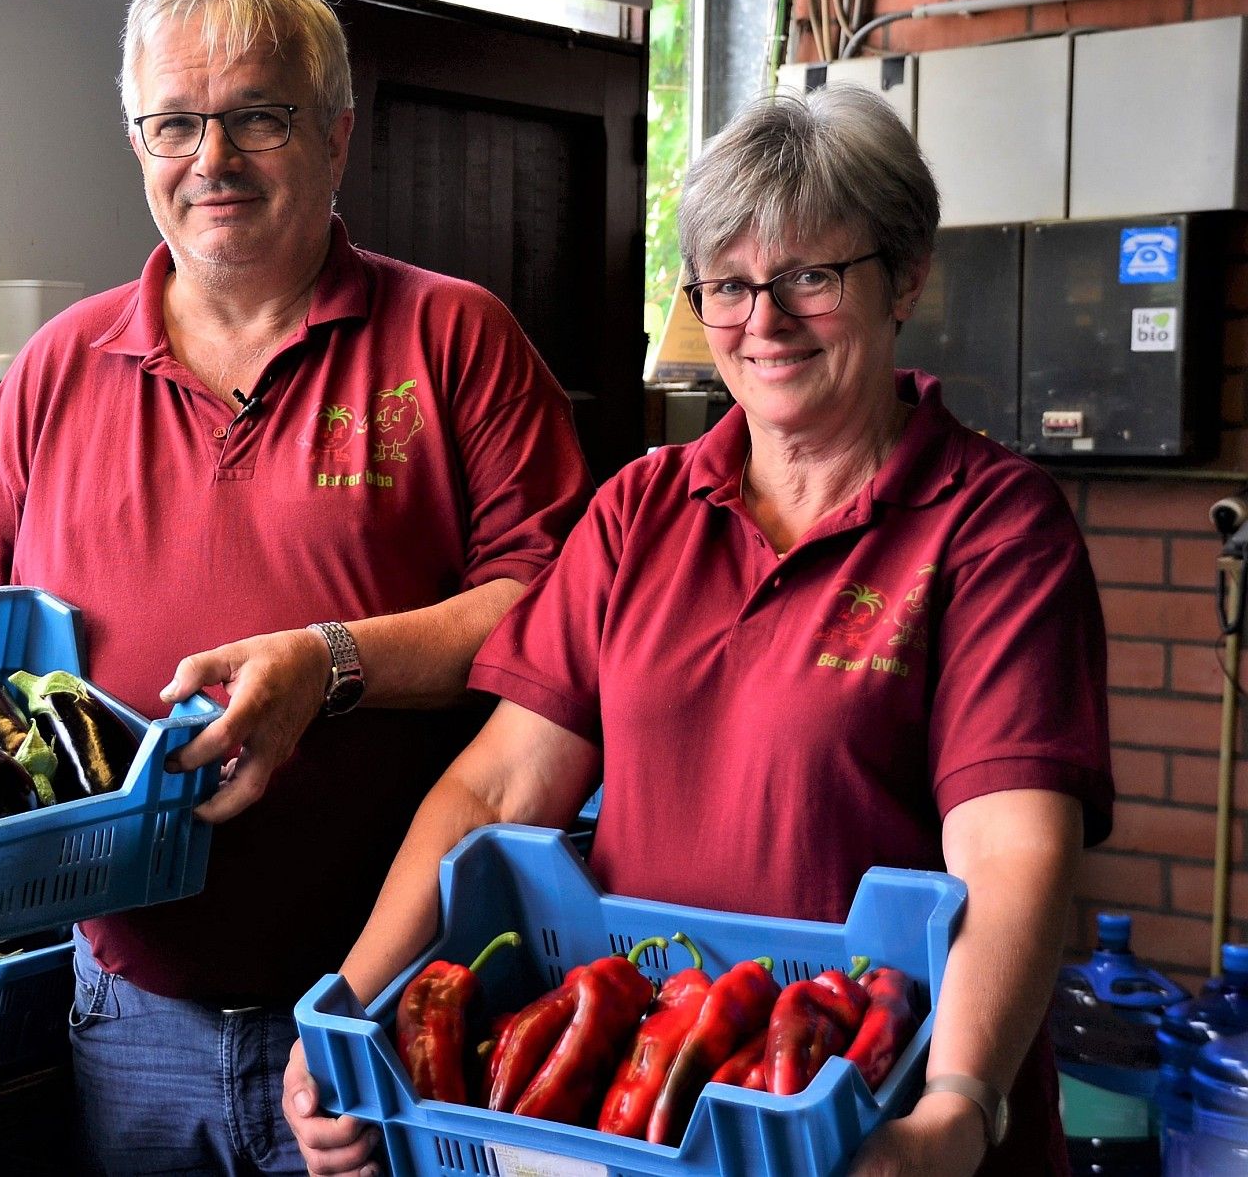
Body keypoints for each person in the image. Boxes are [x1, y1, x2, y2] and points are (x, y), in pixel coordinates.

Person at [287, 83, 1114, 1177]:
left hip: (875, 1121)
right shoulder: (641, 510)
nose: (761, 322)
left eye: (808, 277)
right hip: (657, 1115)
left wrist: (955, 1111)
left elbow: (1009, 847)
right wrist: (347, 1011)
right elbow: (495, 788)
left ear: (903, 275)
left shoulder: (991, 527)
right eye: (726, 286)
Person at [0, 0, 590, 1175]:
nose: (210, 160)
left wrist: (334, 662)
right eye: (172, 123)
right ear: (138, 140)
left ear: (333, 135)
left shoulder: (453, 339)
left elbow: (565, 626)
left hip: (391, 1009)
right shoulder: (58, 365)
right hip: (127, 1010)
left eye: (255, 117)